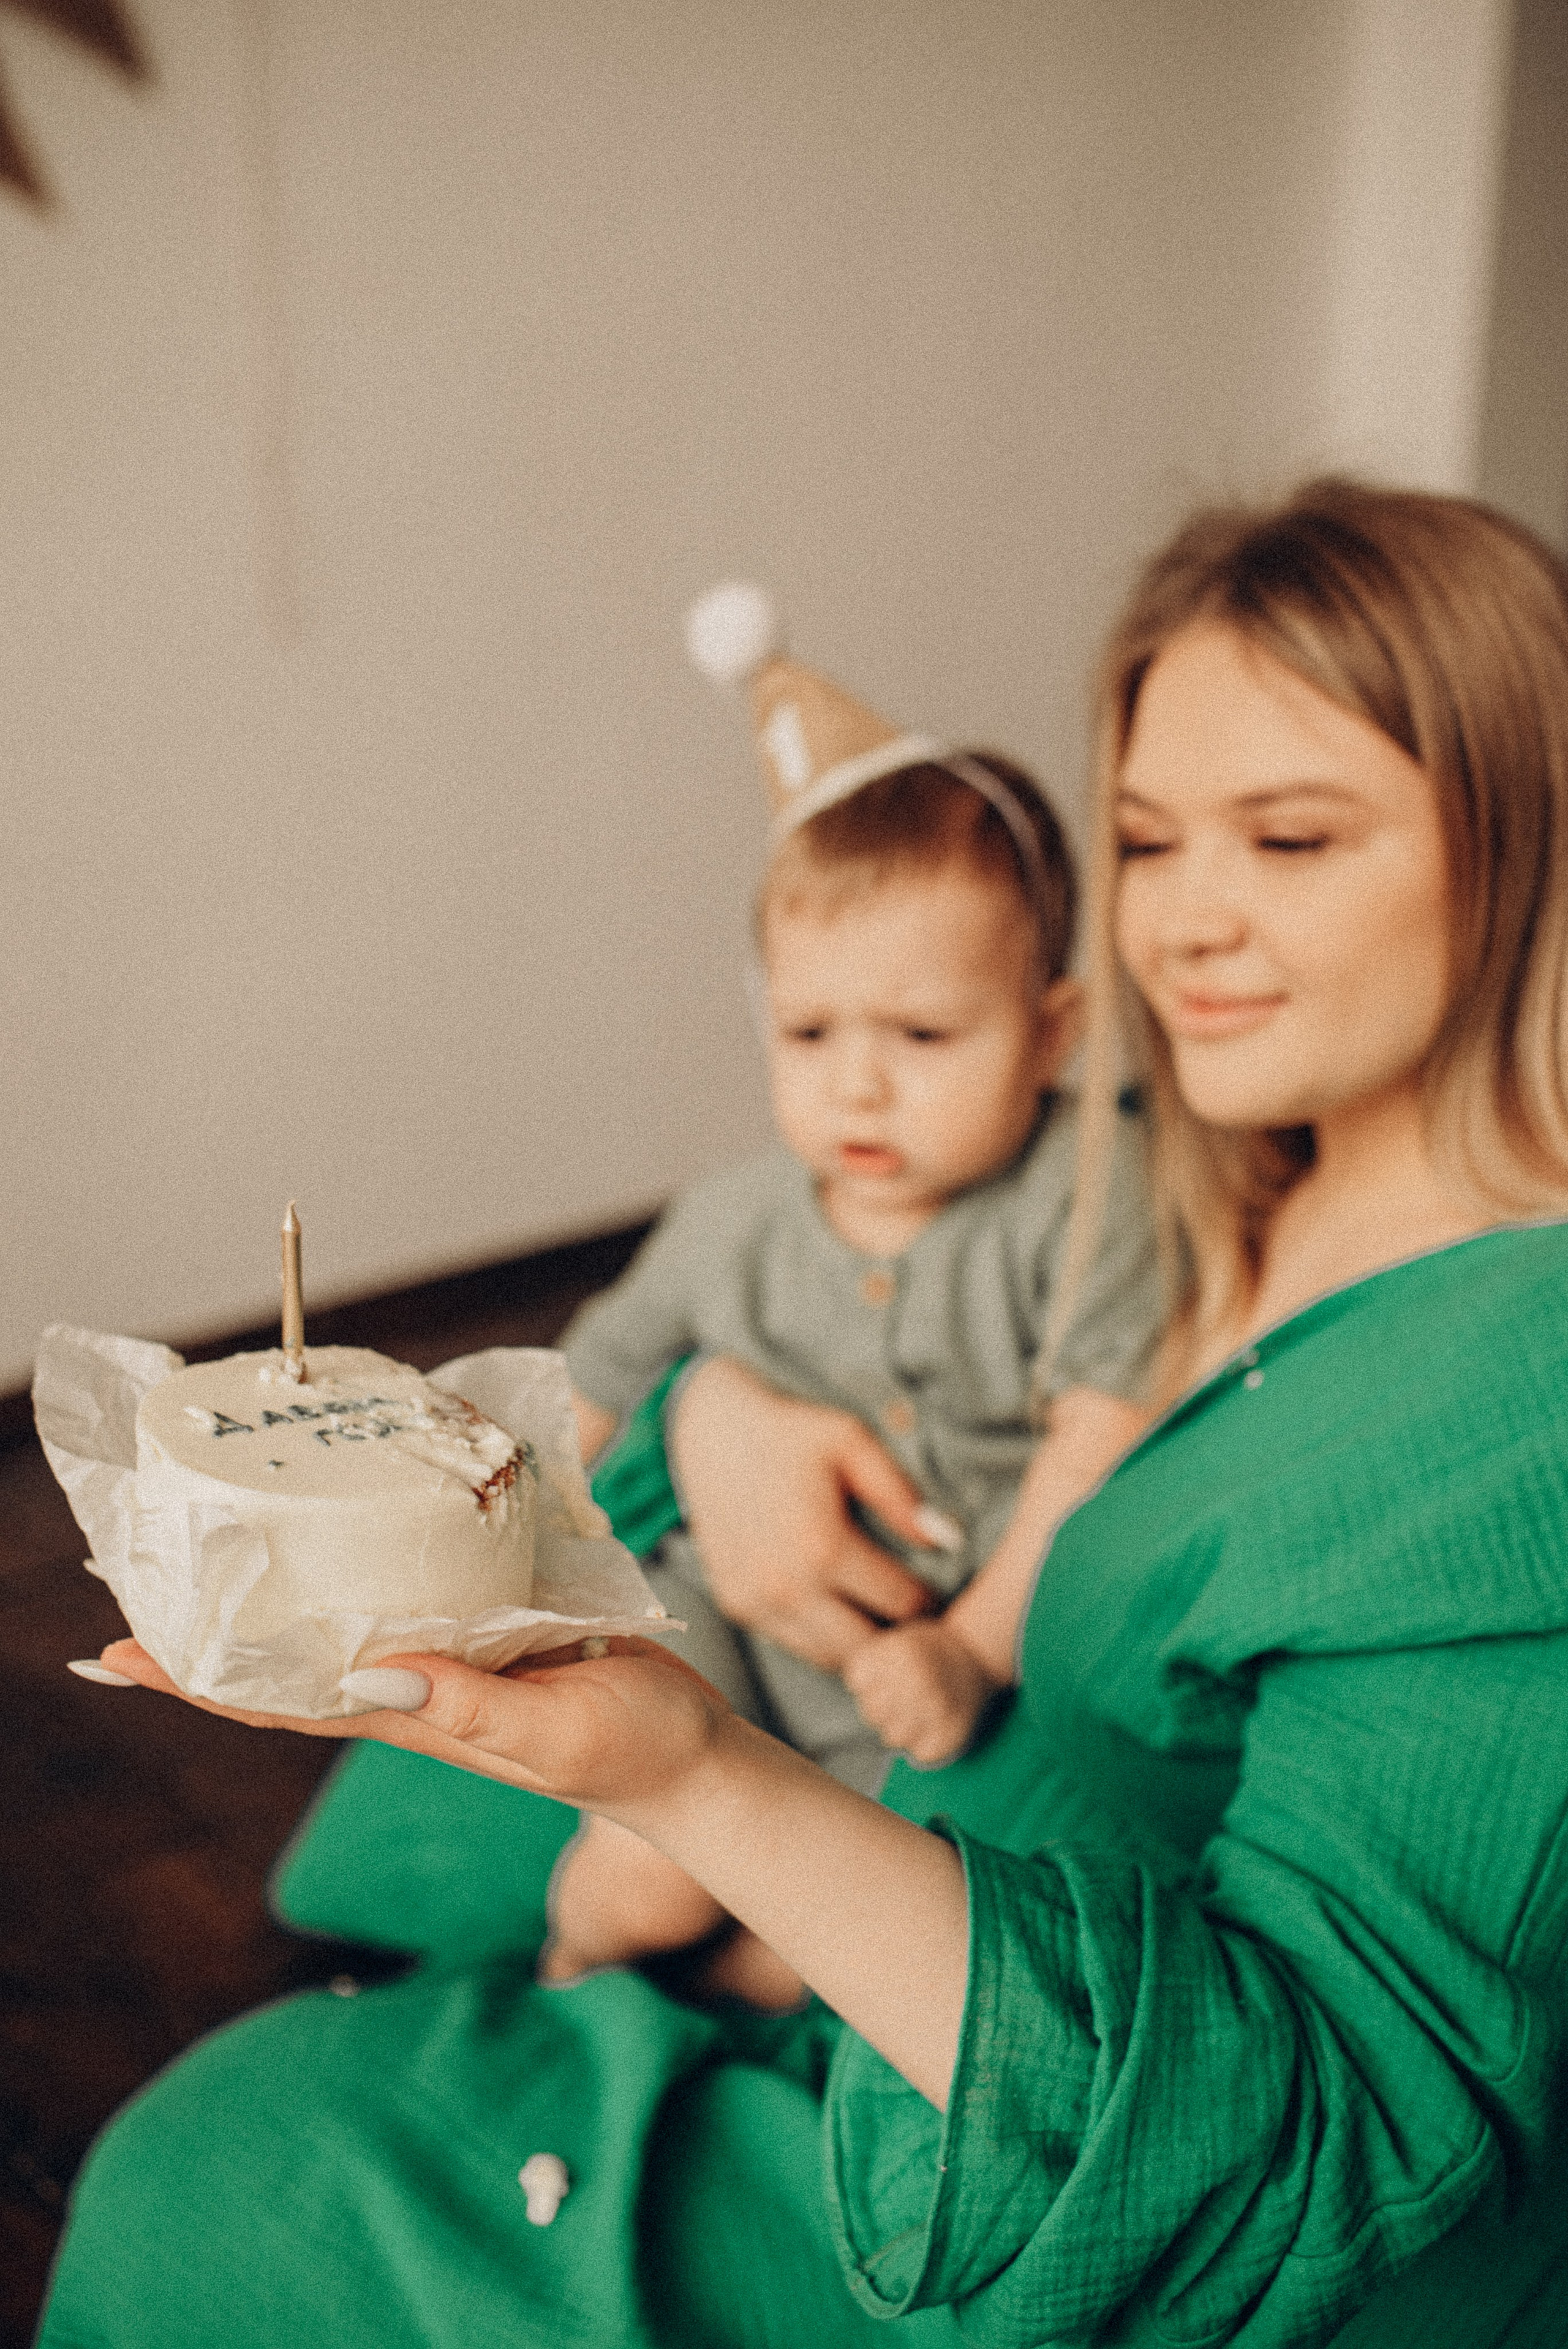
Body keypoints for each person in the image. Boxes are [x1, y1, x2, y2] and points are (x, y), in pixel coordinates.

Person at [45, 480, 1568, 2349]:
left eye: (1292, 836)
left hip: (1064, 2149)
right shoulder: (1219, 1171)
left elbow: (1309, 2158)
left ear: (1524, 836)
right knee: (240, 2125)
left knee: (227, 2191)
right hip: (904, 1907)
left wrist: (695, 1778)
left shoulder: (1523, 1409)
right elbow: (849, 1308)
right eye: (1149, 839)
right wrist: (727, 1416)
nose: (1186, 921)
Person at [546, 597, 1160, 1986]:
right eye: (810, 1031)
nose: (858, 1085)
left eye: (924, 1033)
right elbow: (581, 1397)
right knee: (650, 1875)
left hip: (934, 1669)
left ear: (1051, 1031)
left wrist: (971, 1649)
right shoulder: (732, 1219)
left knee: (838, 1942)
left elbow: (1099, 1441)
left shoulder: (1079, 1198)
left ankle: (722, 2002)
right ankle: (569, 1973)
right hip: (726, 1634)